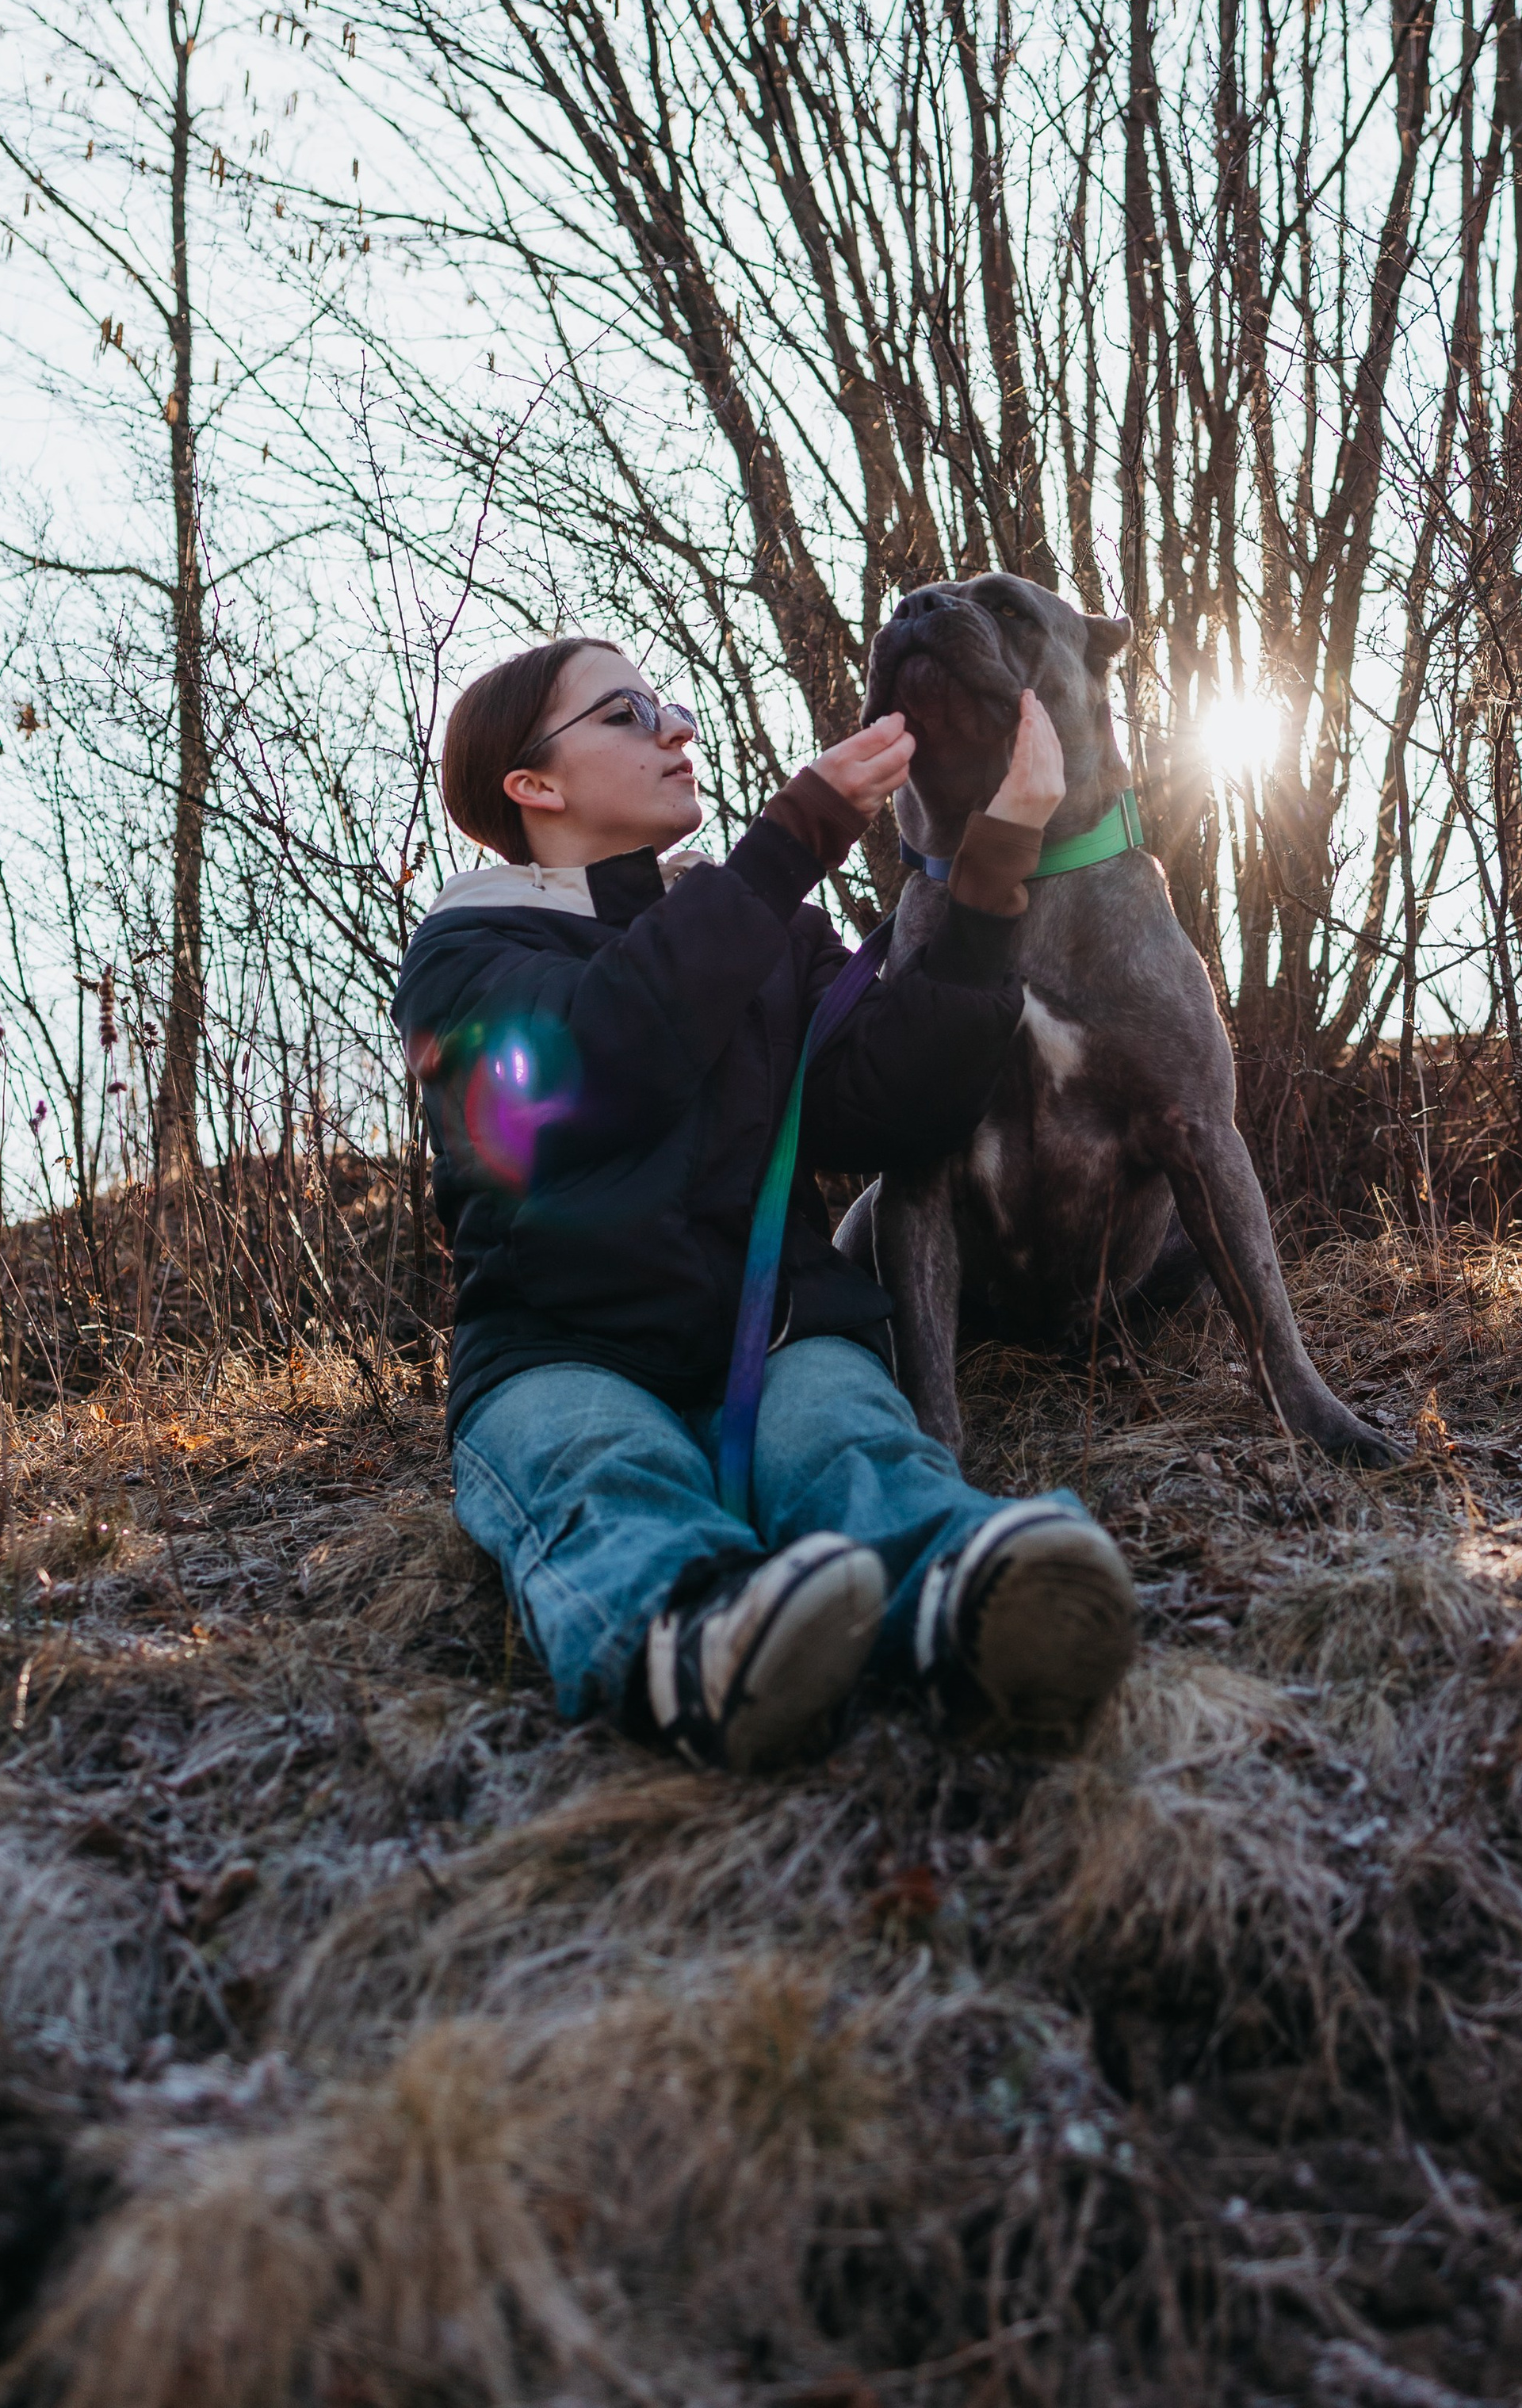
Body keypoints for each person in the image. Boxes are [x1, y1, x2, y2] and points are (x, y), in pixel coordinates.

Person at [392, 632, 1135, 1774]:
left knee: (851, 1448)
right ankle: (703, 1644)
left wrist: (991, 873)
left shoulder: (758, 928)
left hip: (778, 1331)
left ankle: (976, 1602)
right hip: (562, 1358)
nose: (676, 728)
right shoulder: (466, 953)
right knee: (603, 1475)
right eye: (627, 714)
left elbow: (892, 1103)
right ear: (533, 785)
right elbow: (603, 1063)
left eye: (667, 704)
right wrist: (791, 842)